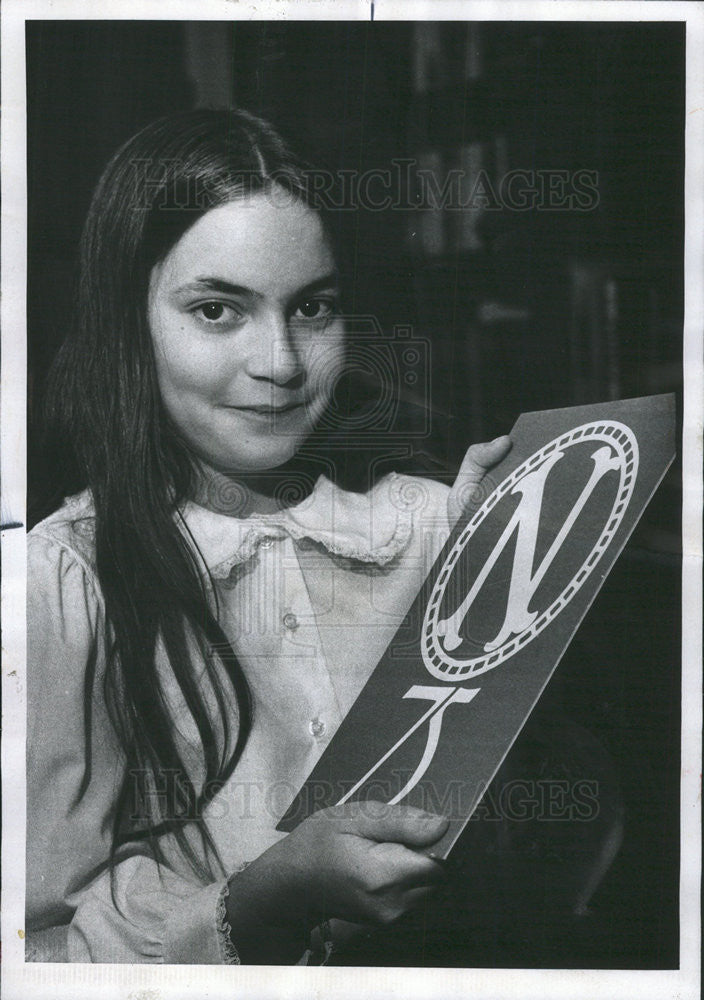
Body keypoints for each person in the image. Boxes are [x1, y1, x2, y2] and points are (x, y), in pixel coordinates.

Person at [26, 108, 510, 965]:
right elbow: (37, 949)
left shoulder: (424, 522)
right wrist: (263, 901)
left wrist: (494, 574)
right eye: (218, 310)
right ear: (126, 325)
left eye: (313, 308)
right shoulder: (64, 585)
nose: (281, 361)